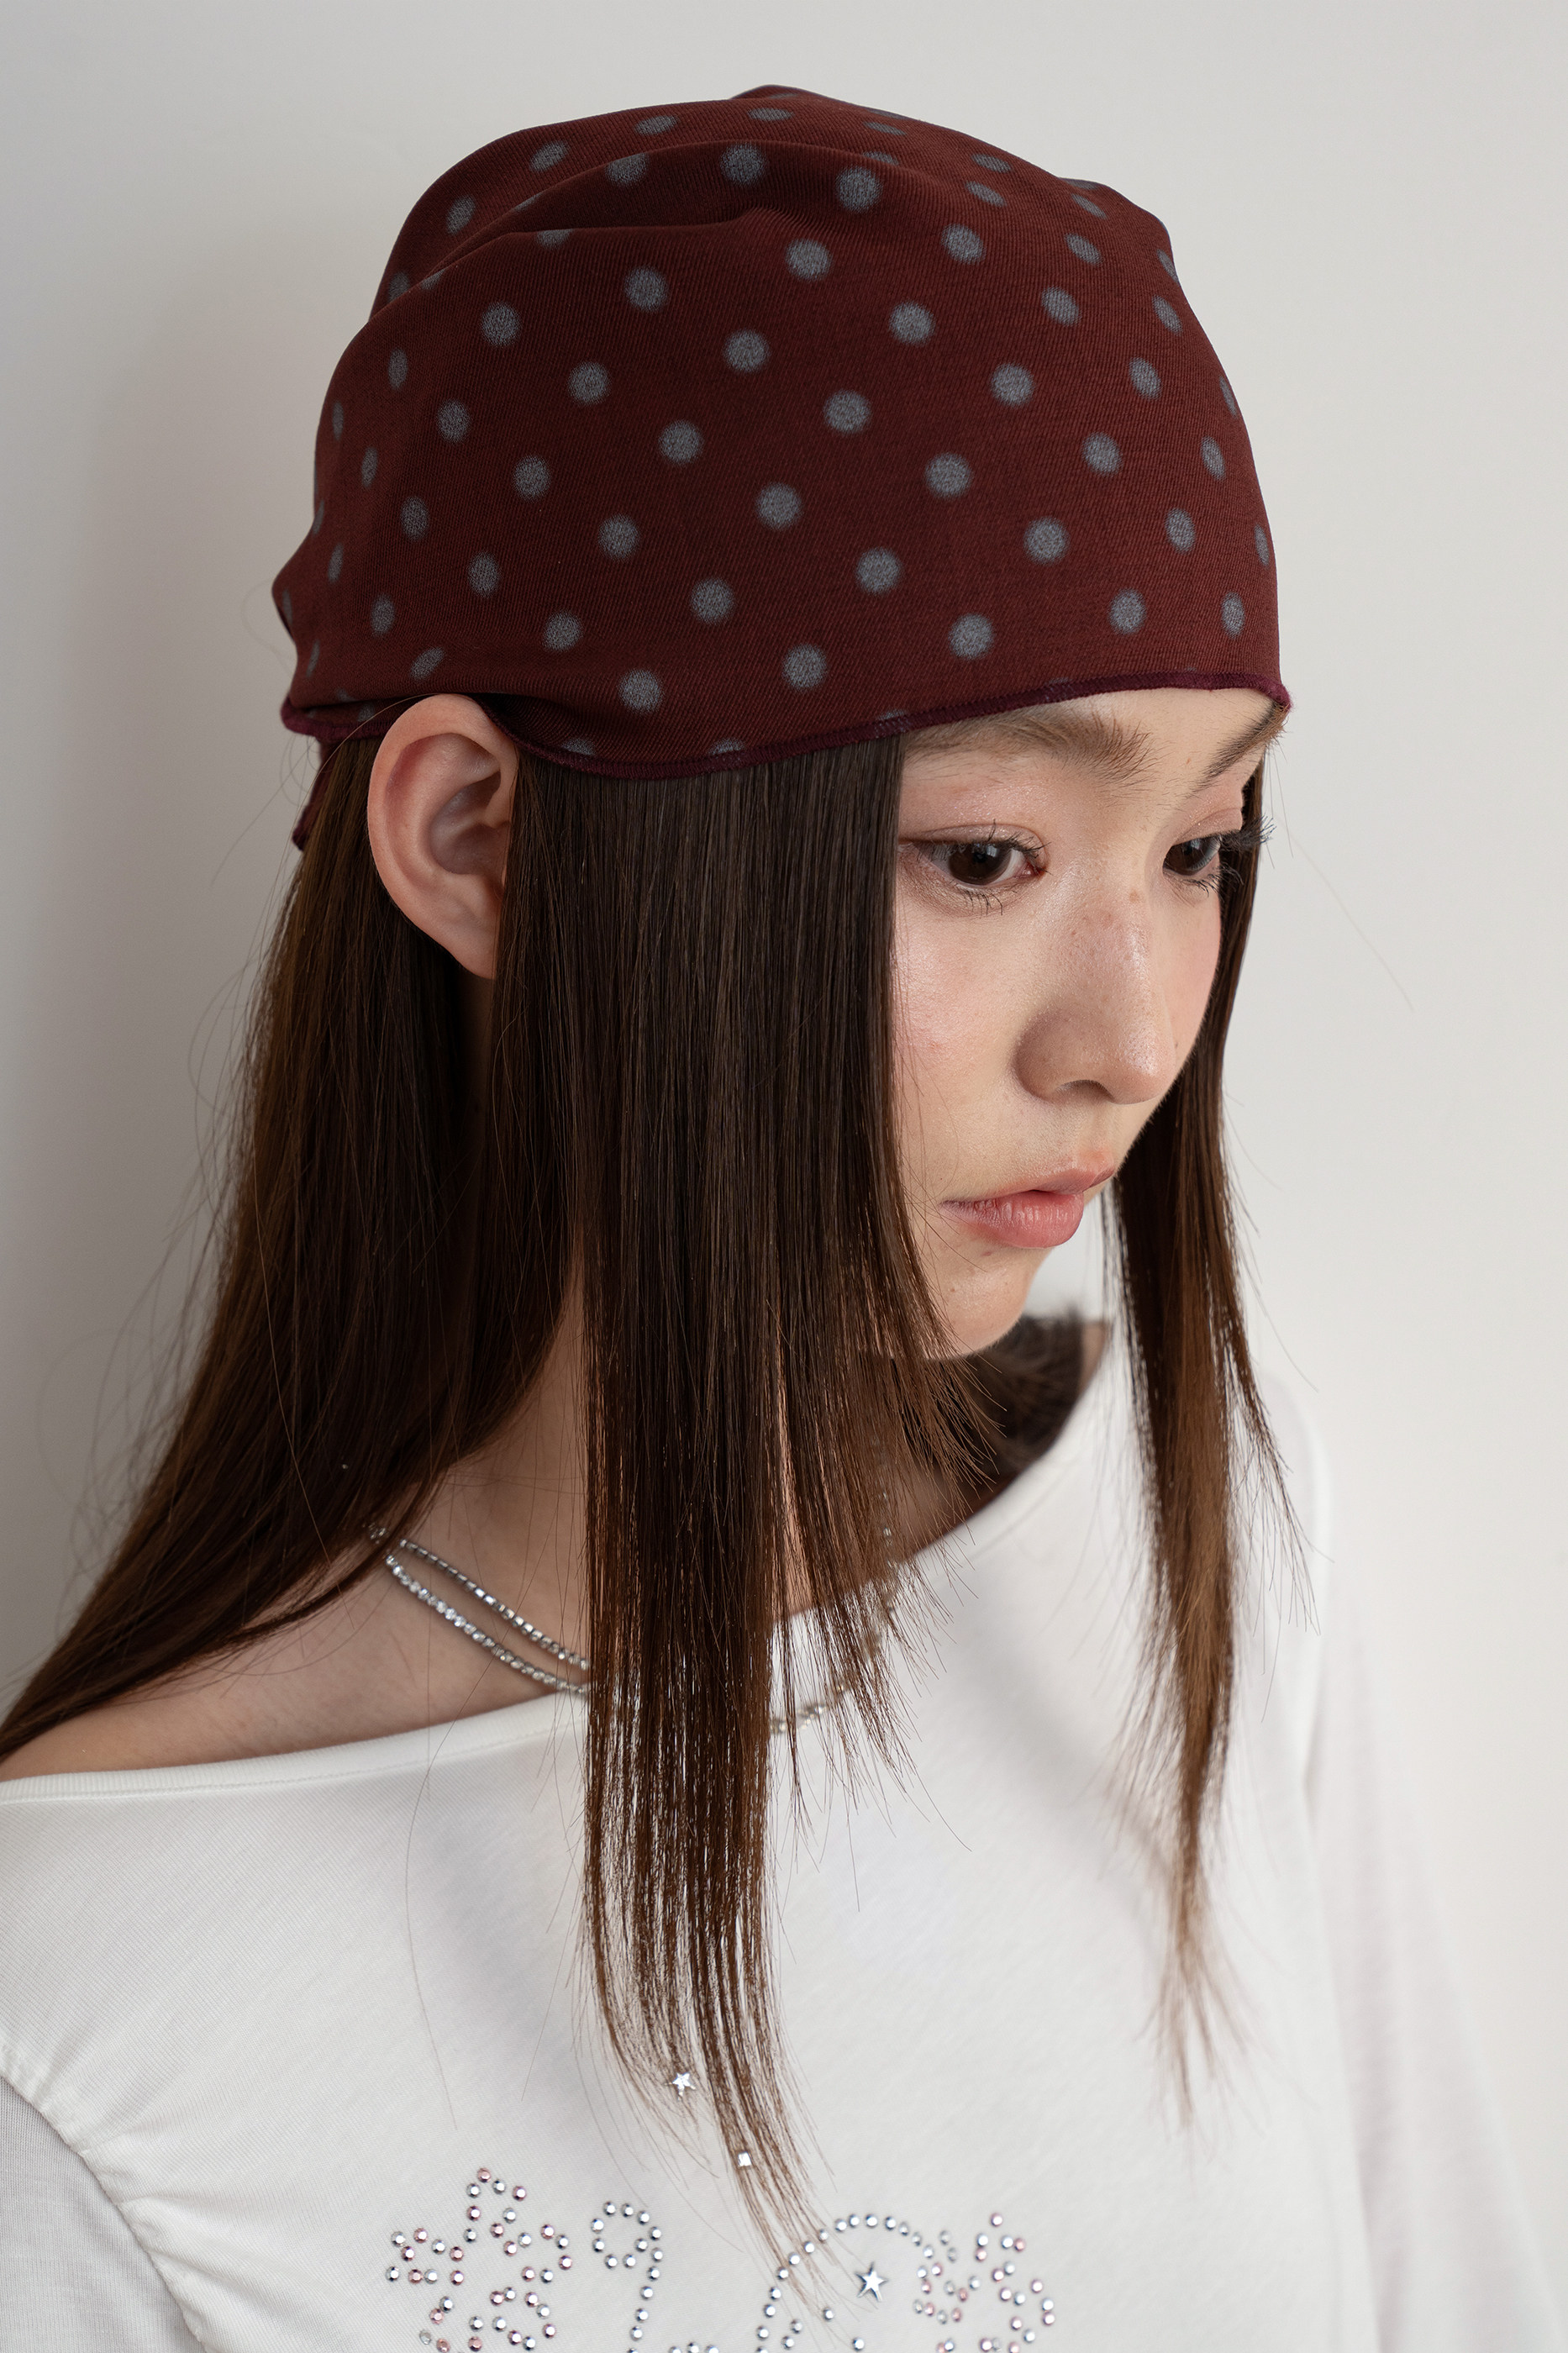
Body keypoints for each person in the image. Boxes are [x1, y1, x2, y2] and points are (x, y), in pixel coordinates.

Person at [0, 83, 1558, 2353]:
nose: (1133, 1037)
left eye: (1202, 848)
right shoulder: (81, 2027)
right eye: (985, 855)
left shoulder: (1198, 1524)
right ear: (476, 841)